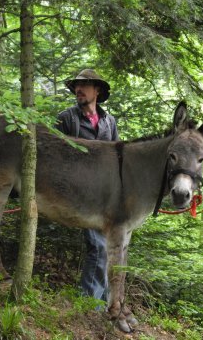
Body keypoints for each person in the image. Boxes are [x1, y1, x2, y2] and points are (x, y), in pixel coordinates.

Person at [55, 69, 119, 302]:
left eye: (85, 85)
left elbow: (115, 158)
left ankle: (101, 302)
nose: (78, 90)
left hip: (103, 195)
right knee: (98, 246)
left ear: (97, 90)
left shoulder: (109, 121)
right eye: (76, 86)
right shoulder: (66, 118)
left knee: (108, 247)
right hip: (77, 193)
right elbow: (52, 157)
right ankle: (89, 303)